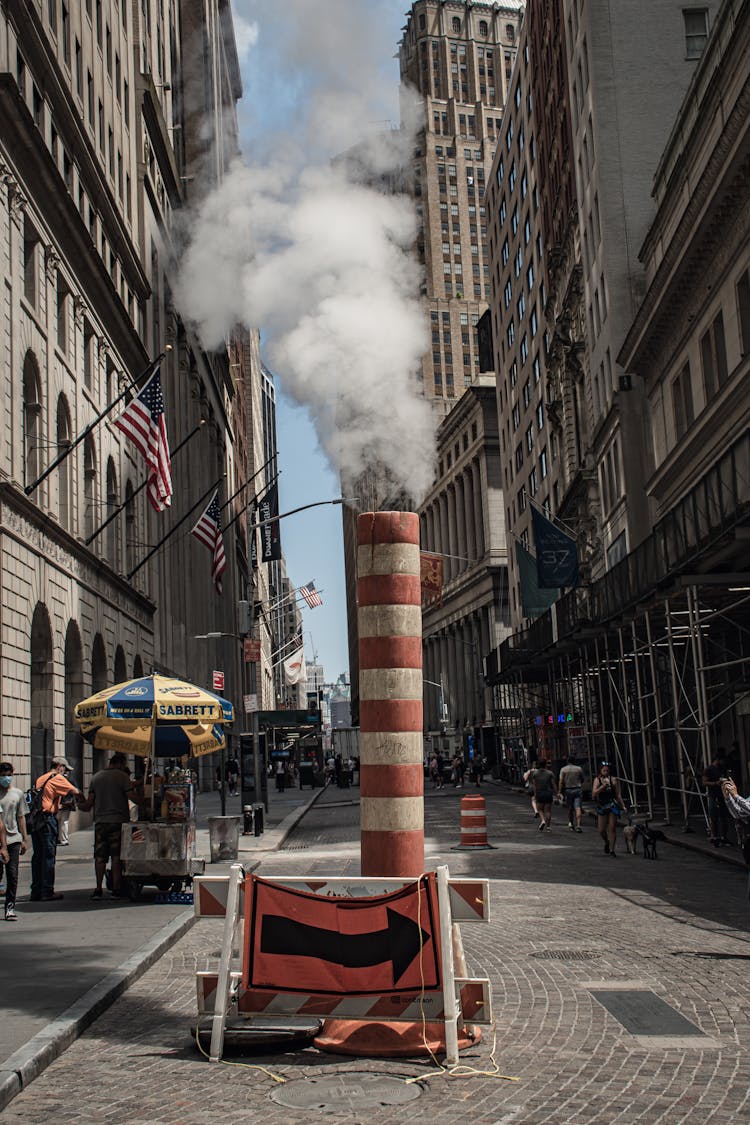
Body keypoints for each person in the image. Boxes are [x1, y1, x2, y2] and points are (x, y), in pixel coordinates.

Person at [77, 752, 138, 900]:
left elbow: (89, 803)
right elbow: (132, 797)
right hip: (118, 821)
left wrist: (80, 802)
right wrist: (147, 802)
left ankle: (98, 888)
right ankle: (116, 889)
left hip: (100, 822)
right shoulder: (122, 777)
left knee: (100, 857)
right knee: (116, 856)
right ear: (121, 763)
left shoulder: (96, 777)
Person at [30, 756, 82, 902]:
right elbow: (75, 791)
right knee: (48, 855)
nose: (65, 772)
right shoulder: (57, 777)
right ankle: (47, 891)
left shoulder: (41, 778)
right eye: (65, 769)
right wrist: (84, 800)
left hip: (36, 819)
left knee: (38, 855)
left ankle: (36, 890)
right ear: (59, 766)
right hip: (47, 820)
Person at [0, 762, 27, 921]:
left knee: (13, 874)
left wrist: (24, 838)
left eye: (8, 775)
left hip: (14, 839)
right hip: (0, 841)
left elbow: (21, 816)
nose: (6, 778)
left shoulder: (17, 794)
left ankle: (10, 907)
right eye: (3, 776)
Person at [593, 761, 626, 857]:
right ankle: (606, 842)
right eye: (604, 770)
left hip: (612, 805)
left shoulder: (613, 780)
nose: (606, 772)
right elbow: (594, 793)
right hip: (602, 806)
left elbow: (618, 794)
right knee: (601, 830)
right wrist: (602, 787)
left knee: (612, 828)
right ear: (600, 771)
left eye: (607, 770)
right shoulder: (597, 780)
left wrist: (623, 805)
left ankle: (612, 849)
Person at [702, 752, 730, 847]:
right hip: (713, 795)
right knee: (714, 817)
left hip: (722, 795)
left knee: (724, 817)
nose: (724, 762)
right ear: (718, 759)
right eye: (722, 760)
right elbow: (704, 782)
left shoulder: (722, 768)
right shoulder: (709, 769)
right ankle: (715, 837)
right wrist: (715, 783)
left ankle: (723, 837)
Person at [559, 756, 585, 832]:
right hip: (577, 789)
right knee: (578, 808)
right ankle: (578, 825)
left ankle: (571, 823)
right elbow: (582, 779)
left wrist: (560, 791)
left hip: (568, 790)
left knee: (570, 808)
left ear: (567, 761)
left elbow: (561, 781)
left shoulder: (563, 769)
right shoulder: (579, 769)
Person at [532, 759, 558, 831]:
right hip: (548, 793)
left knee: (539, 809)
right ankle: (548, 827)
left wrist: (535, 794)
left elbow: (534, 785)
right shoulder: (550, 773)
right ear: (545, 764)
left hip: (540, 792)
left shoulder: (535, 774)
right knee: (548, 810)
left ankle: (543, 820)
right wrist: (557, 793)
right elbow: (553, 784)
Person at [57, 764, 78, 845]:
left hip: (59, 803)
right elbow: (75, 790)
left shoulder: (57, 778)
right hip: (66, 803)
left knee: (59, 821)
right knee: (64, 821)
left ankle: (60, 838)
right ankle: (64, 839)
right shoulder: (70, 779)